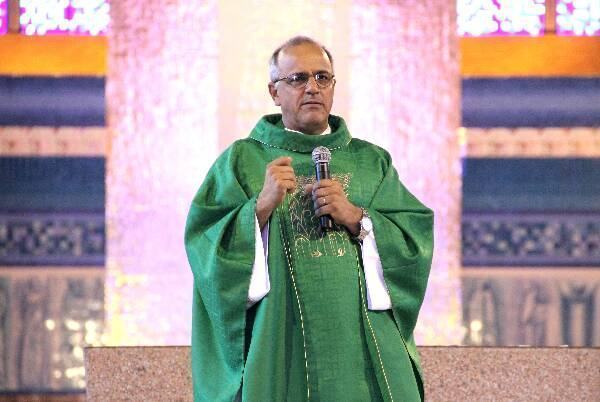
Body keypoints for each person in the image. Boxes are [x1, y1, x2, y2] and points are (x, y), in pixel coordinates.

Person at [185, 36, 433, 402]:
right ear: (274, 91)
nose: (312, 88)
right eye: (298, 79)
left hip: (363, 345)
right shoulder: (242, 160)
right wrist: (259, 207)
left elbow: (414, 242)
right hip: (278, 343)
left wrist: (358, 219)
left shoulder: (372, 161)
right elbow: (207, 246)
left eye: (322, 77)